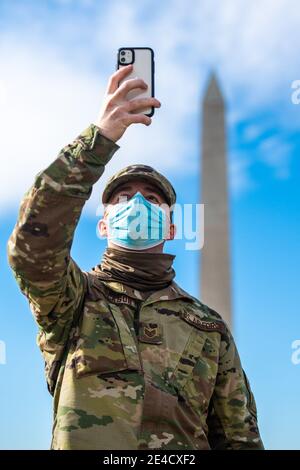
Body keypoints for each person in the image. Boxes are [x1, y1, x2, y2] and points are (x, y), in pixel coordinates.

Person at [7, 64, 264, 450]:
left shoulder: (209, 328)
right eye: (123, 199)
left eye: (153, 198)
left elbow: (239, 439)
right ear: (104, 225)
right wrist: (101, 138)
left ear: (172, 228)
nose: (138, 203)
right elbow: (34, 242)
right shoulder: (73, 300)